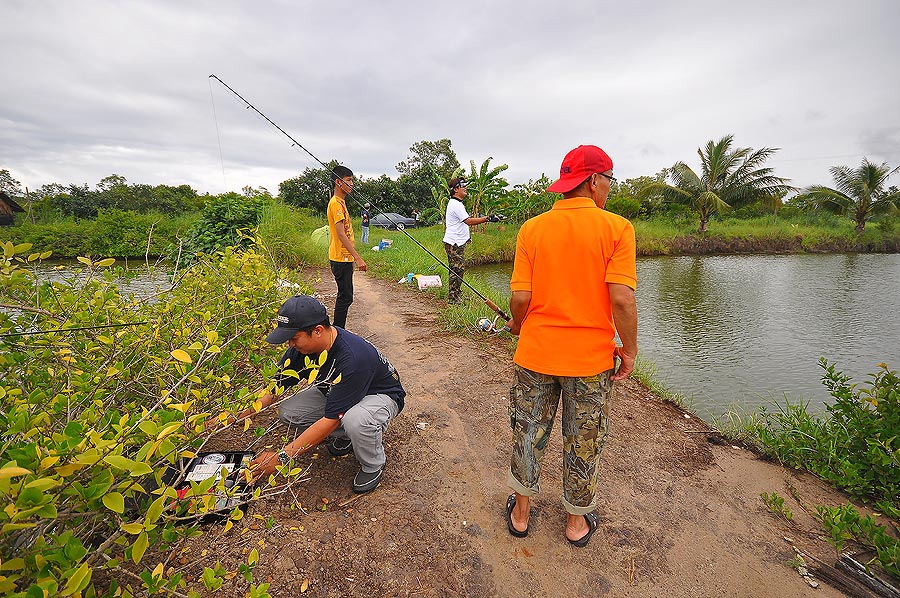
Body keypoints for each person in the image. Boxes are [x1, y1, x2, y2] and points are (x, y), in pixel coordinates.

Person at [504, 145, 638, 547]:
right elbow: (622, 299)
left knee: (529, 432)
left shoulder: (532, 228)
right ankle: (576, 523)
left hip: (536, 353)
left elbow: (521, 299)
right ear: (595, 181)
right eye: (609, 180)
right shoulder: (617, 228)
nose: (609, 188)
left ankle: (522, 512)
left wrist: (515, 324)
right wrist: (628, 350)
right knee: (583, 440)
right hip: (590, 361)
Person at [246, 294, 406, 493]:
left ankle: (373, 464)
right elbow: (272, 390)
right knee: (289, 411)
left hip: (380, 395)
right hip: (341, 391)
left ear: (318, 331)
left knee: (356, 420)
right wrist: (227, 418)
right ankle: (346, 436)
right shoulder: (301, 350)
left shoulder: (352, 358)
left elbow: (330, 419)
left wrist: (281, 458)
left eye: (294, 338)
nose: (290, 345)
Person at [442, 177, 503, 304]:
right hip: (454, 243)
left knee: (458, 269)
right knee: (456, 270)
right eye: (462, 185)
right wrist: (487, 218)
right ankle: (453, 299)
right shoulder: (455, 204)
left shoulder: (457, 204)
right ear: (455, 189)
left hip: (456, 242)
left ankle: (457, 294)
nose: (465, 187)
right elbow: (468, 221)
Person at [327, 165, 367, 328]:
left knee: (345, 296)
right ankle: (337, 332)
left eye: (352, 180)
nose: (352, 184)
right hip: (339, 258)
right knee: (345, 297)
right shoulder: (336, 204)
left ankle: (337, 331)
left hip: (344, 258)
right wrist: (357, 258)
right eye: (349, 180)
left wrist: (351, 259)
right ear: (338, 182)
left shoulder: (341, 202)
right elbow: (341, 234)